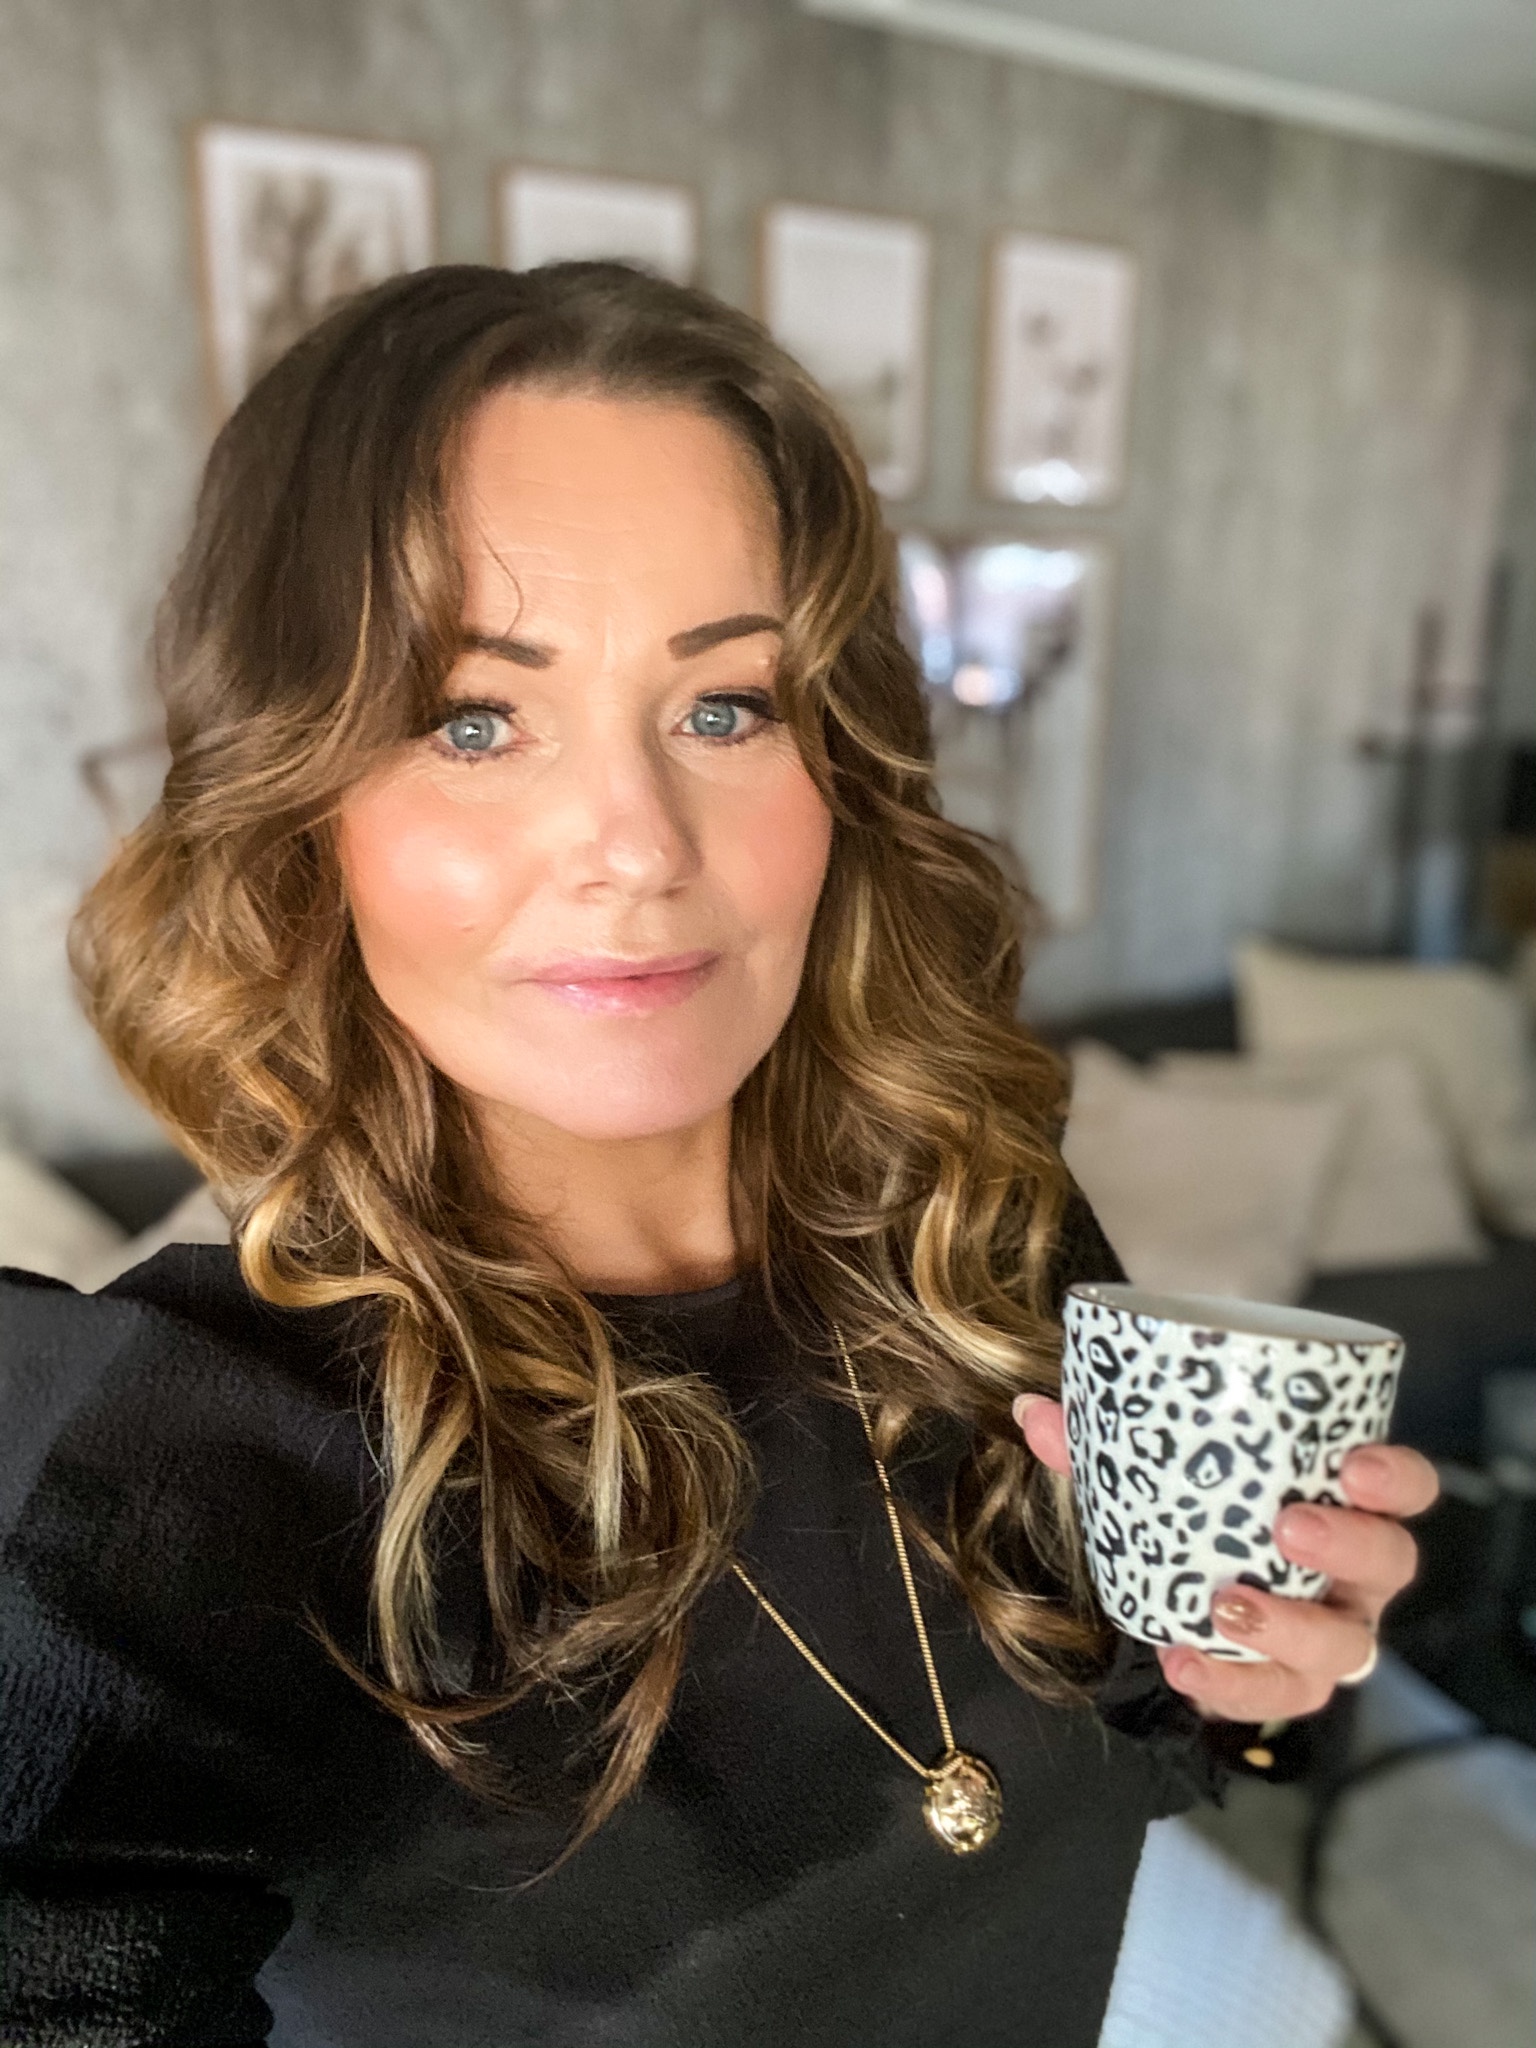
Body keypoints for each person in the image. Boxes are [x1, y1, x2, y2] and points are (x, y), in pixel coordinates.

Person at [0, 263, 1436, 2048]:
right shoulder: (195, 1469)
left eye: (726, 706)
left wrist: (1256, 1682)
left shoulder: (975, 1244)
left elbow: (1135, 1728)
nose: (636, 843)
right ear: (302, 811)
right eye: (472, 719)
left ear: (839, 767)